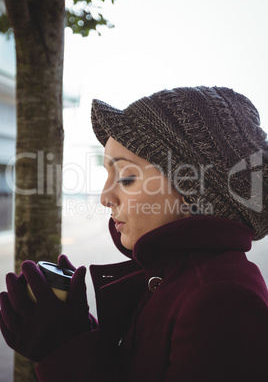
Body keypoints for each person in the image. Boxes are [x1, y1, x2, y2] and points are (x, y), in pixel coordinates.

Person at [0, 86, 268, 382]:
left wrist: (64, 352)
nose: (105, 197)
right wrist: (80, 333)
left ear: (195, 190)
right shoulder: (173, 276)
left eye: (127, 178)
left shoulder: (223, 301)